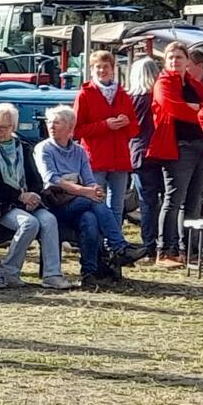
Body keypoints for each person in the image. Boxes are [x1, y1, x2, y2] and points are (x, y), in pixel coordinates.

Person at [0, 103, 72, 290]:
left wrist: (33, 195)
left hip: (26, 201)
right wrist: (20, 196)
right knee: (29, 223)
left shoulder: (23, 147)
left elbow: (35, 177)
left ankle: (52, 274)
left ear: (13, 127)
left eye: (4, 127)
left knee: (49, 220)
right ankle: (9, 271)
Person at [38, 105, 141, 287]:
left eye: (56, 122)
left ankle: (89, 273)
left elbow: (89, 179)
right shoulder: (44, 149)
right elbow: (52, 180)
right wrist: (86, 192)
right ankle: (119, 247)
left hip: (79, 204)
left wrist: (95, 190)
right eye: (49, 122)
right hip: (54, 204)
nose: (51, 126)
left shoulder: (79, 151)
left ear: (70, 127)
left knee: (90, 219)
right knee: (93, 204)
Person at [148, 41, 203, 268]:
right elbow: (173, 107)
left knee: (194, 201)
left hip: (201, 145)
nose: (175, 61)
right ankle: (165, 250)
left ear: (188, 61)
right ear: (165, 61)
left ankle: (189, 250)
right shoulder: (163, 83)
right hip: (178, 147)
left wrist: (196, 108)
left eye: (179, 57)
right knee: (173, 200)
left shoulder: (193, 84)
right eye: (171, 57)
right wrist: (198, 110)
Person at [72, 50, 137, 223]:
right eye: (98, 67)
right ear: (92, 70)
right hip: (96, 159)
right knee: (97, 203)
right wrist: (105, 125)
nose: (102, 70)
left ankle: (115, 245)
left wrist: (126, 123)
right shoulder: (85, 94)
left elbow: (134, 129)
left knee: (117, 206)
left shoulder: (123, 94)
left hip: (120, 158)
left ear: (113, 68)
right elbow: (76, 130)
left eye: (106, 66)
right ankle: (99, 244)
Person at [125, 56, 164, 261]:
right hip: (162, 152)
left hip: (140, 153)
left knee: (147, 202)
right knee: (165, 201)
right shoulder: (158, 98)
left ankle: (149, 244)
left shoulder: (131, 99)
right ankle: (163, 243)